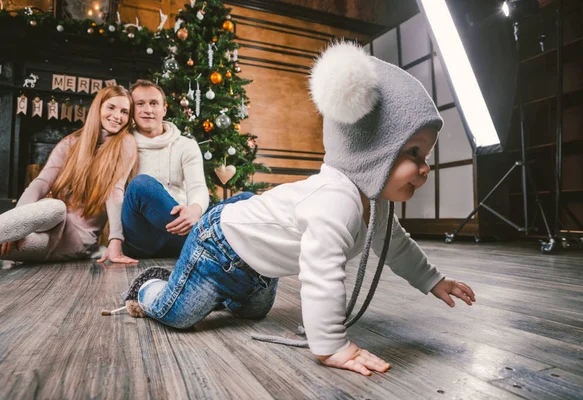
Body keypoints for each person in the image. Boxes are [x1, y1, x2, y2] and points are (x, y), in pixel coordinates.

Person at [123, 43, 476, 376]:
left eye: (426, 156)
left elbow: (396, 247)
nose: (425, 168)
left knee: (254, 313)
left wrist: (433, 280)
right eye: (413, 153)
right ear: (370, 150)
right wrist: (332, 346)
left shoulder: (376, 204)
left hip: (258, 264)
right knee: (179, 314)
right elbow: (321, 275)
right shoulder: (336, 201)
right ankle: (151, 287)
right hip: (218, 245)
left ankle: (213, 291)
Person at [0, 86, 138, 263]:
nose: (117, 116)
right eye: (111, 107)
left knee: (6, 246)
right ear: (99, 108)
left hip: (75, 240)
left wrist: (116, 240)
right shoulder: (71, 143)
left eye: (125, 112)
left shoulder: (125, 143)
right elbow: (41, 183)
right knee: (56, 207)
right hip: (49, 220)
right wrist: (16, 226)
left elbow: (115, 191)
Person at [120, 80, 212, 259]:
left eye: (154, 103)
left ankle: (202, 244)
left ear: (164, 109)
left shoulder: (186, 145)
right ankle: (209, 245)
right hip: (142, 238)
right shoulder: (122, 144)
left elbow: (197, 187)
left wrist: (194, 210)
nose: (148, 109)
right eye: (140, 104)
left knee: (243, 201)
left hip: (181, 231)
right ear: (132, 110)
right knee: (141, 184)